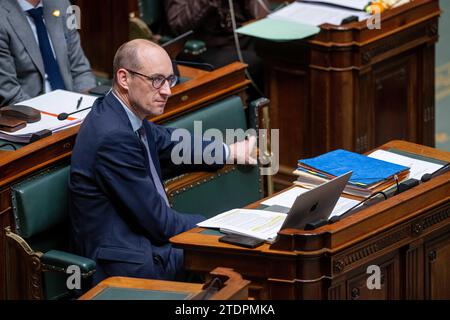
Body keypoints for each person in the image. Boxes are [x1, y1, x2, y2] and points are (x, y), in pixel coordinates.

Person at [69, 39, 257, 284]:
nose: (167, 90)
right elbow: (161, 224)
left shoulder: (120, 112)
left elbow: (168, 140)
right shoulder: (113, 138)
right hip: (131, 264)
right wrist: (217, 223)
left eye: (170, 80)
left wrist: (227, 151)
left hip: (147, 245)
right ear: (124, 78)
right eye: (157, 80)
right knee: (242, 259)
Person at [0, 0, 96, 107]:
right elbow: (10, 94)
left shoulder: (62, 4)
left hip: (72, 107)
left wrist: (87, 105)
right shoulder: (2, 17)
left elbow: (80, 69)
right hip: (32, 114)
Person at [162, 0, 269, 93]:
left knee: (277, 50)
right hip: (207, 47)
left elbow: (262, 15)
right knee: (259, 61)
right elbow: (178, 24)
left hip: (241, 35)